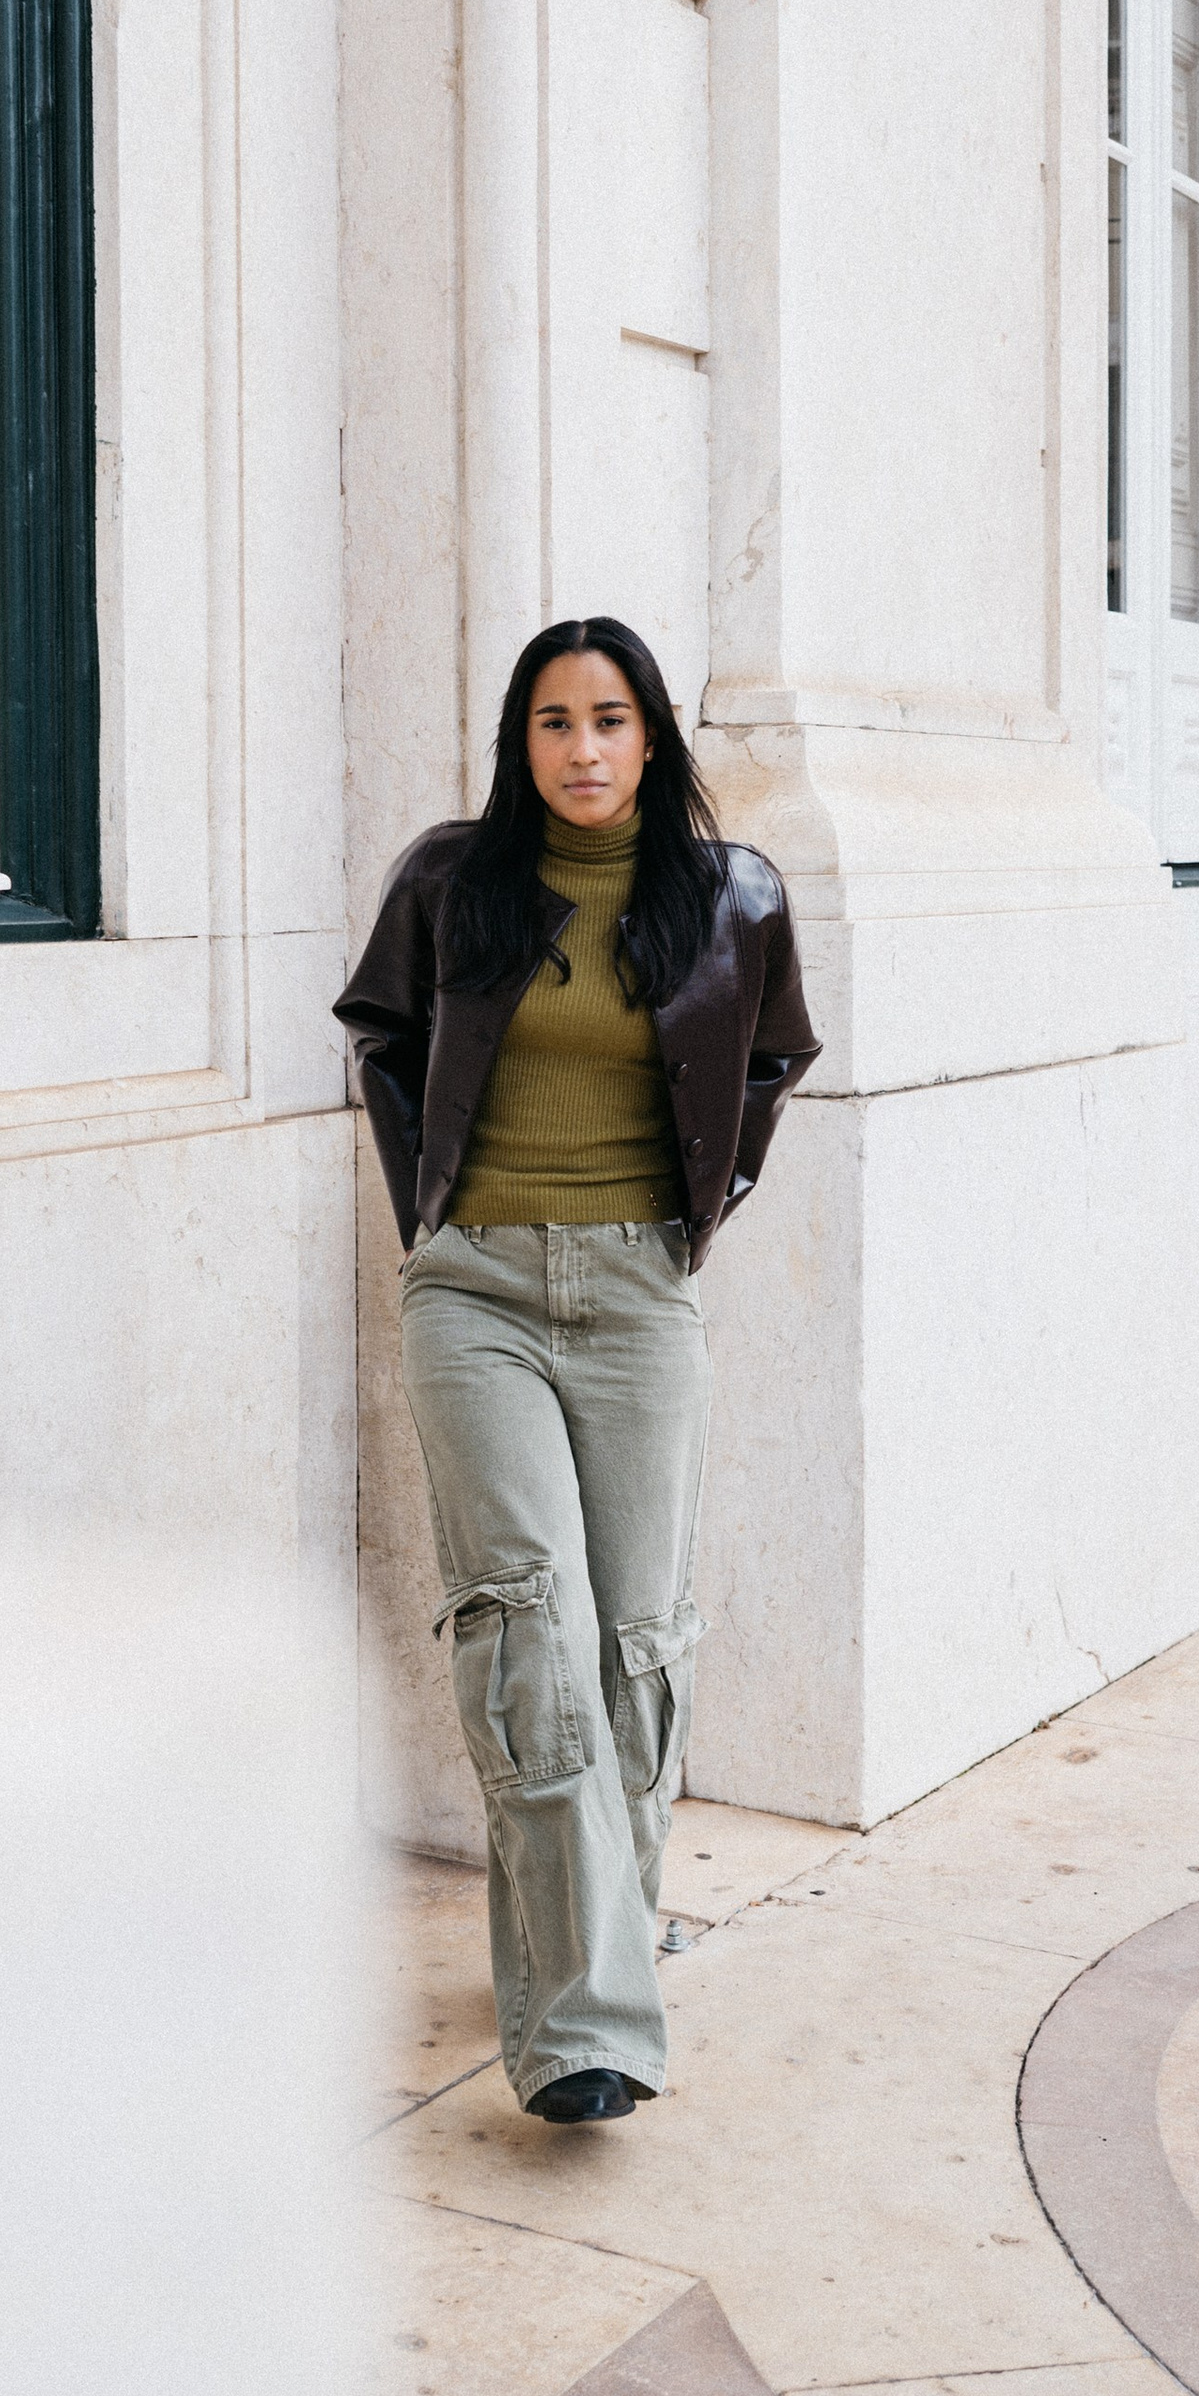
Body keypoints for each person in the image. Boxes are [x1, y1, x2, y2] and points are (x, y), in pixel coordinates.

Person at [335, 619, 820, 2127]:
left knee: (638, 1645)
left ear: (656, 736)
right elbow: (385, 1036)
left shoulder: (735, 897)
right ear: (519, 741)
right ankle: (585, 2029)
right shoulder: (449, 880)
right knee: (528, 1632)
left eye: (611, 719)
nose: (585, 748)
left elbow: (771, 1060)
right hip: (475, 1288)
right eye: (554, 721)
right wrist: (433, 1207)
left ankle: (582, 1939)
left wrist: (698, 1213)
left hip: (636, 1294)